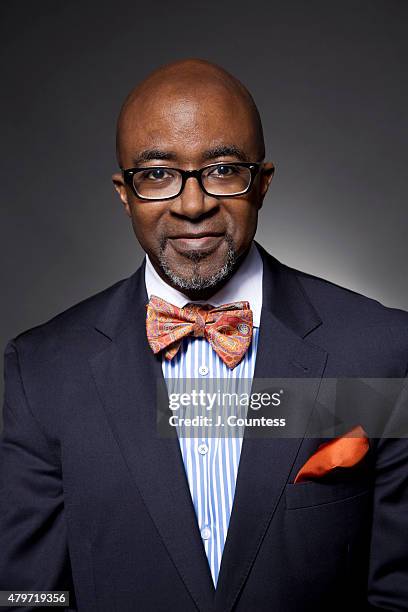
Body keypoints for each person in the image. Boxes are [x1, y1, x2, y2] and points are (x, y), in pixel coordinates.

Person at [1, 58, 407, 612]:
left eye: (222, 169)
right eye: (158, 174)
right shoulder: (42, 370)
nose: (193, 205)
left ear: (261, 183)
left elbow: (398, 590)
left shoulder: (380, 350)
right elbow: (28, 597)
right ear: (124, 192)